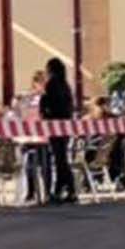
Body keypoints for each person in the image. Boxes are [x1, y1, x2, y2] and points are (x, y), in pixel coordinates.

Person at [39, 58, 77, 204]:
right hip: (65, 125)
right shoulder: (66, 85)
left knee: (59, 159)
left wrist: (44, 115)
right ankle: (62, 188)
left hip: (54, 125)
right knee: (62, 158)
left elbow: (45, 103)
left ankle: (66, 189)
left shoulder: (50, 84)